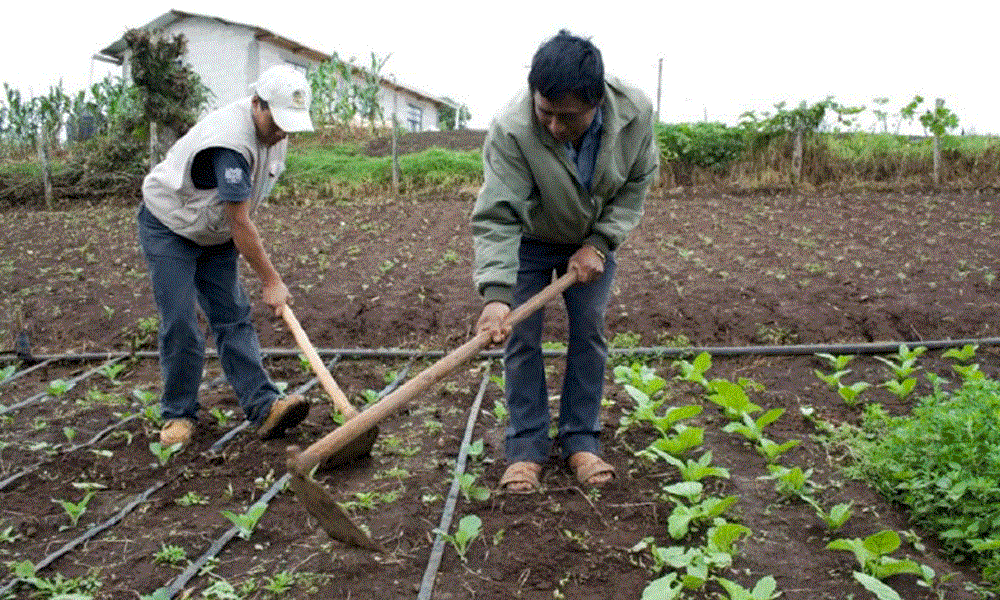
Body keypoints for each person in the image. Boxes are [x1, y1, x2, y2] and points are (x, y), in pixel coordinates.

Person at [472, 30, 658, 492]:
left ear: (596, 103)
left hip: (591, 241)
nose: (554, 126)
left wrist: (599, 242)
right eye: (545, 112)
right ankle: (526, 447)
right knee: (520, 338)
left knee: (589, 330)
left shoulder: (634, 114)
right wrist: (497, 297)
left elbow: (637, 182)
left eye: (567, 117)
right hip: (531, 239)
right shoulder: (513, 128)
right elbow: (498, 213)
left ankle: (580, 440)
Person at [137, 65, 315, 448]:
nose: (283, 132)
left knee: (233, 316)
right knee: (182, 320)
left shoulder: (278, 129)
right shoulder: (230, 142)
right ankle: (178, 414)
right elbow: (240, 220)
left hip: (213, 231)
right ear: (257, 105)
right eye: (278, 122)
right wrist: (271, 280)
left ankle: (265, 407)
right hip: (171, 227)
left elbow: (235, 217)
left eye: (290, 123)